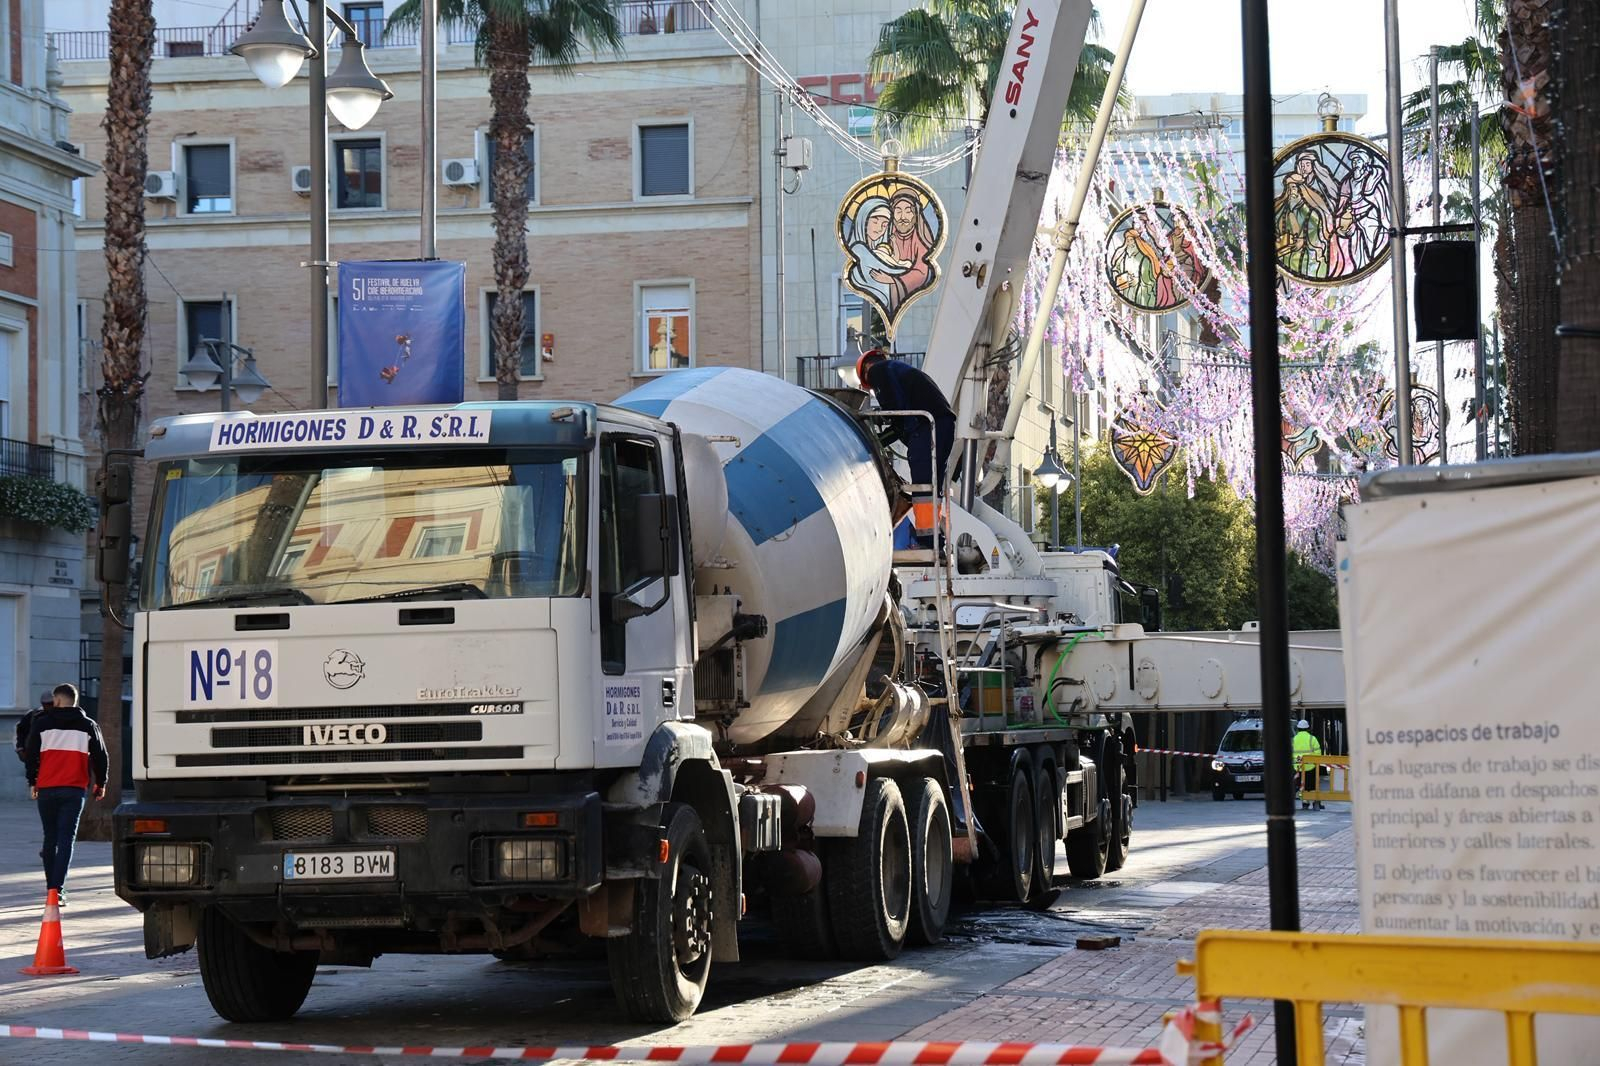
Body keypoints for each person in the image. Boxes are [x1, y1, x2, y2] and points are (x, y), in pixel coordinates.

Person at [23, 684, 108, 905]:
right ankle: (58, 889)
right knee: (66, 840)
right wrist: (101, 783)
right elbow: (101, 756)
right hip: (74, 789)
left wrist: (32, 781)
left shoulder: (42, 723)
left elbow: (31, 755)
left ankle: (50, 889)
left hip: (47, 788)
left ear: (57, 700)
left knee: (50, 838)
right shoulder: (88, 725)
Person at [857, 349, 957, 506]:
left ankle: (925, 522)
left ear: (866, 369)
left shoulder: (877, 370)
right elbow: (899, 424)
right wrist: (879, 440)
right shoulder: (899, 372)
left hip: (925, 427)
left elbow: (894, 409)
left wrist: (881, 416)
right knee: (933, 484)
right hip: (944, 425)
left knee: (922, 485)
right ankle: (933, 521)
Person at [1293, 719, 1324, 810]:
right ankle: (1315, 801)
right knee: (1313, 785)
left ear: (1298, 729)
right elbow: (1318, 753)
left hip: (1298, 767)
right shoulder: (1312, 738)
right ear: (1308, 728)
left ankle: (1305, 802)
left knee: (1302, 785)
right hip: (1311, 766)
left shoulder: (1294, 739)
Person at [13, 691, 50, 763]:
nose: (50, 706)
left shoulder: (59, 715)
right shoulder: (32, 715)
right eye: (47, 704)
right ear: (43, 704)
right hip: (34, 759)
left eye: (51, 703)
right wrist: (20, 750)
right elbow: (19, 731)